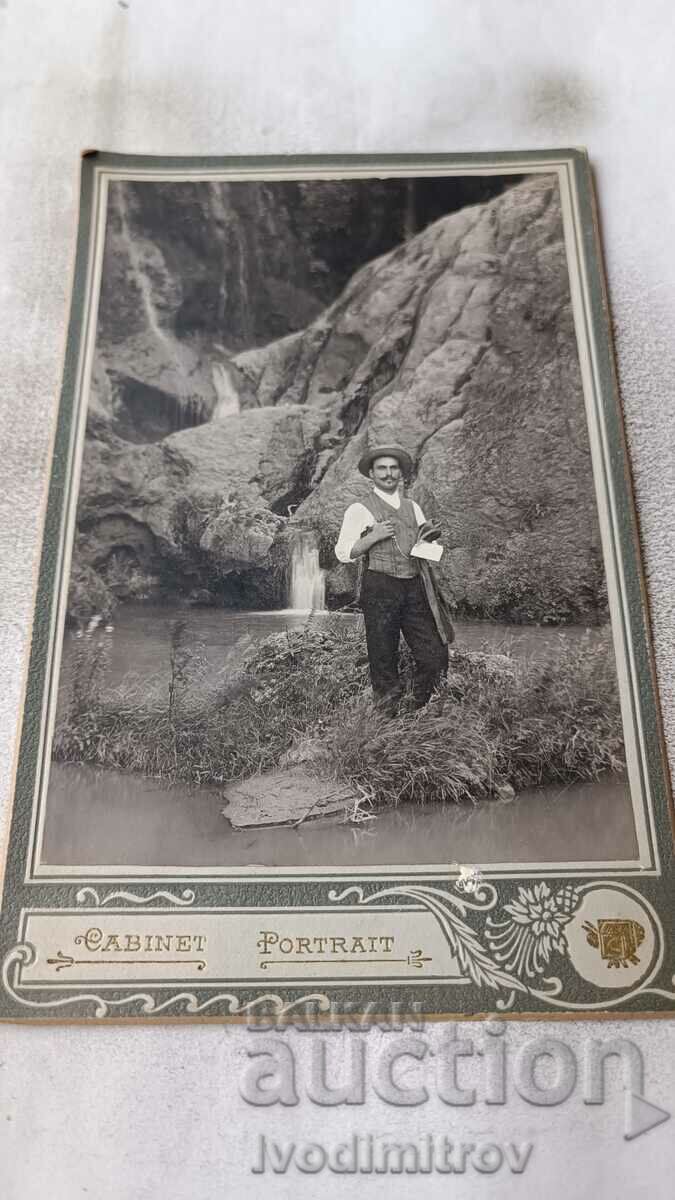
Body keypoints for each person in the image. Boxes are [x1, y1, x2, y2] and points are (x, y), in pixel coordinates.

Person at [335, 443, 451, 716]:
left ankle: (415, 710)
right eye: (382, 469)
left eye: (393, 468)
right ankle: (386, 717)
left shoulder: (414, 507)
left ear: (401, 473)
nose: (388, 474)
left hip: (415, 585)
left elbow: (422, 548)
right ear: (372, 474)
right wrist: (372, 537)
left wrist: (428, 542)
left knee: (434, 654)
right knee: (383, 657)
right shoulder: (359, 509)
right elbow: (343, 553)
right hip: (380, 586)